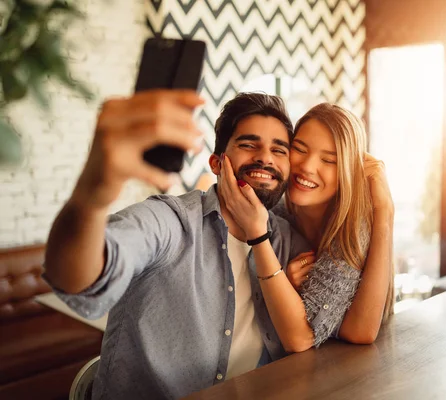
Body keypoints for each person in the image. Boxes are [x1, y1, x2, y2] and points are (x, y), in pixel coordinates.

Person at [43, 91, 311, 399]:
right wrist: (92, 194)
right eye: (249, 144)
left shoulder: (289, 240)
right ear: (216, 163)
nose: (265, 157)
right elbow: (80, 278)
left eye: (279, 150)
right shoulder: (170, 220)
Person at [219, 103, 394, 351]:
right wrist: (287, 286)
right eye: (299, 149)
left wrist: (385, 211)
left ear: (348, 172)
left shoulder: (352, 229)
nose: (308, 167)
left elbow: (359, 331)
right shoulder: (274, 213)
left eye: (329, 160)